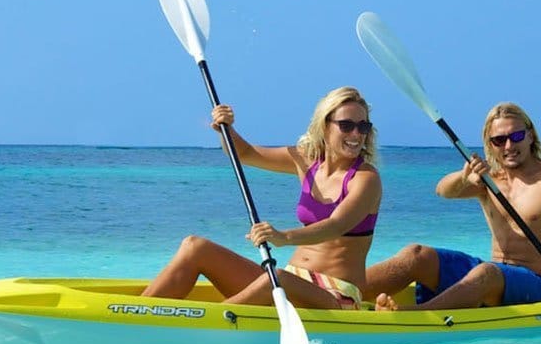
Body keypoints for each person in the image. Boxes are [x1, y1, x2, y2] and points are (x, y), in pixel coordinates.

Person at [366, 102, 541, 330]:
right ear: (489, 142)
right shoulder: (489, 179)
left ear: (530, 135)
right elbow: (442, 190)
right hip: (491, 274)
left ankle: (412, 317)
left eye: (516, 136)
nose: (509, 146)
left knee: (486, 273)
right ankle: (343, 296)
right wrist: (465, 178)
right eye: (499, 140)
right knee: (416, 254)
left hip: (538, 285)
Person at [141, 86, 382, 310]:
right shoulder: (305, 161)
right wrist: (226, 128)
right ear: (324, 125)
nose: (356, 134)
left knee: (276, 278)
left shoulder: (365, 179)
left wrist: (282, 236)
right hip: (292, 279)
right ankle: (140, 314)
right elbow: (244, 153)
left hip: (335, 295)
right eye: (347, 125)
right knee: (195, 247)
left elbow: (336, 226)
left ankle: (214, 323)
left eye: (363, 127)